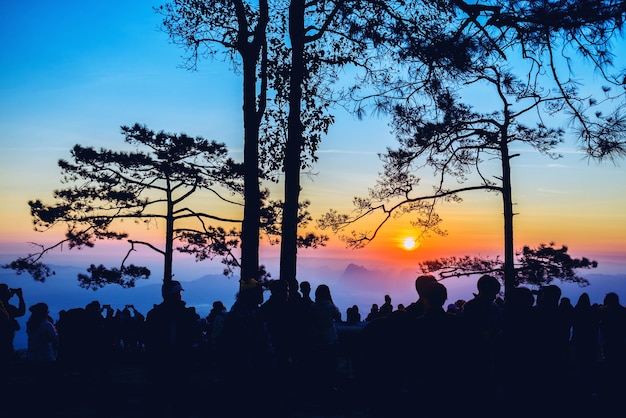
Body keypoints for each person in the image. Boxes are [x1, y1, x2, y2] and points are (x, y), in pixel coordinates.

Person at [144, 280, 200, 417]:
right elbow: (194, 338)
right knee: (180, 399)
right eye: (179, 293)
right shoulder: (186, 315)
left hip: (159, 362)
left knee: (160, 397)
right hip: (180, 362)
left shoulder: (154, 314)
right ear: (177, 295)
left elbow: (148, 339)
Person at [0, 284, 25, 368]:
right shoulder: (8, 308)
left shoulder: (8, 308)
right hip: (6, 344)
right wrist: (20, 297)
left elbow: (21, 312)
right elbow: (21, 312)